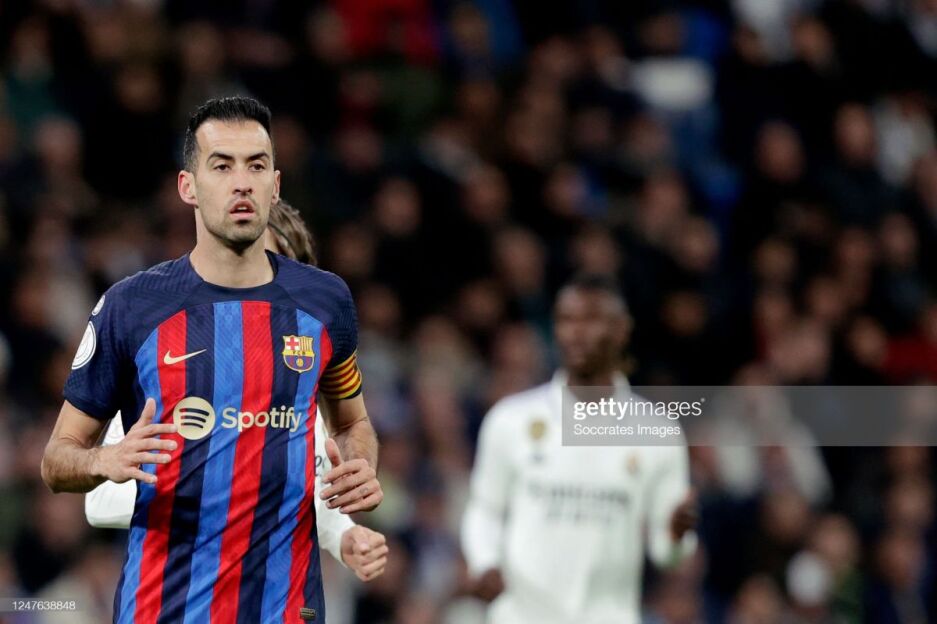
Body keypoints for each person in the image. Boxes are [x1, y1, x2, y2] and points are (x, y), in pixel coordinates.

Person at [40, 96, 383, 623]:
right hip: (164, 609)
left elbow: (352, 424)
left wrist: (360, 466)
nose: (242, 182)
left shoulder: (326, 301)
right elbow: (55, 461)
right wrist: (101, 461)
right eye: (222, 166)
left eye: (256, 166)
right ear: (188, 187)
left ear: (275, 185)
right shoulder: (133, 306)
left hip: (285, 609)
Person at [85, 199, 388, 584]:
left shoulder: (311, 403)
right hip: (180, 590)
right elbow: (99, 501)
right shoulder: (170, 371)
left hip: (278, 594)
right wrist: (213, 490)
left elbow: (313, 499)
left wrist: (346, 537)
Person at [461, 274, 698, 624]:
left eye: (591, 320)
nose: (576, 333)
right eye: (566, 320)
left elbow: (666, 553)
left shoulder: (658, 432)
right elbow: (485, 508)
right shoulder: (510, 420)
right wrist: (484, 563)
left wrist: (677, 534)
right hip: (521, 615)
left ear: (621, 329)